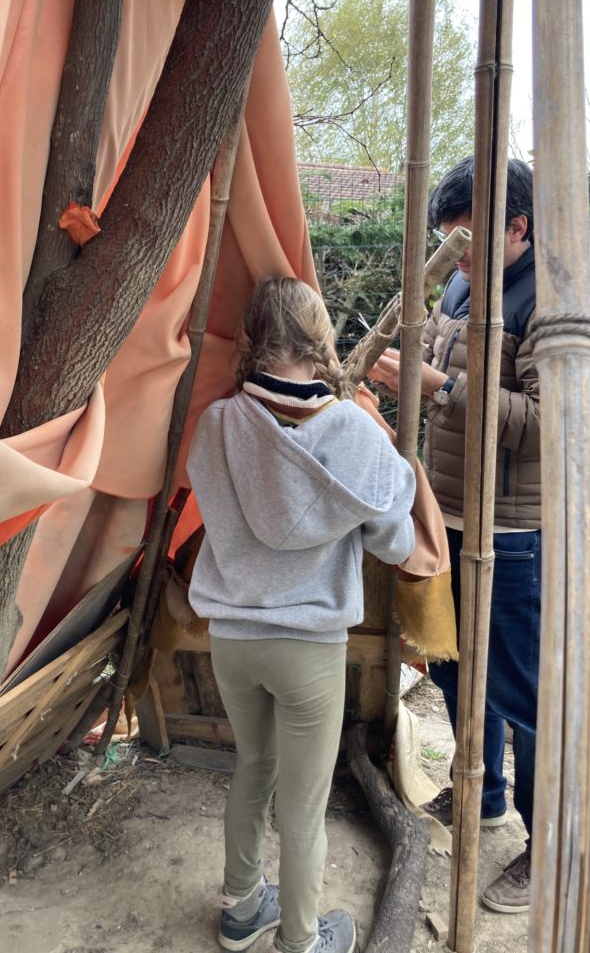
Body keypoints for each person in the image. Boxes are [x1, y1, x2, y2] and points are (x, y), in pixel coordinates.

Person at [187, 277, 417, 953]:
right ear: (319, 339)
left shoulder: (217, 422)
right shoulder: (351, 430)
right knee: (306, 805)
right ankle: (300, 940)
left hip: (231, 637)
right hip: (308, 645)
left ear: (253, 336)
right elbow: (396, 542)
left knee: (253, 767)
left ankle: (240, 910)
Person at [370, 157, 546, 914]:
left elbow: (548, 426)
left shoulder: (557, 302)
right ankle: (485, 795)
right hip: (445, 517)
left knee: (526, 693)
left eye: (469, 243)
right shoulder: (459, 282)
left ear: (519, 226)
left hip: (512, 531)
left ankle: (551, 846)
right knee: (449, 667)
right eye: (449, 245)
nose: (456, 259)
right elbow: (446, 385)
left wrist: (442, 387)